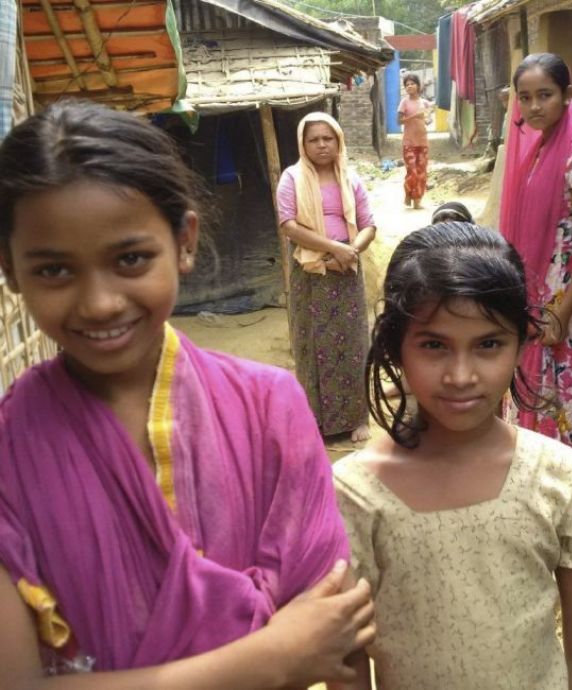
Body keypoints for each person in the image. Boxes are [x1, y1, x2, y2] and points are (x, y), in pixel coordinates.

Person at [0, 100, 375, 688]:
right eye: (54, 270)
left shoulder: (268, 407)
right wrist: (268, 659)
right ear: (10, 268)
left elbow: (338, 631)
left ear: (185, 242)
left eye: (130, 258)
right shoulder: (9, 454)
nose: (99, 301)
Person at [333, 222, 572, 690]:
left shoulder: (561, 479)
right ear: (395, 348)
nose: (461, 375)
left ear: (521, 343)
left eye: (488, 344)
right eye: (434, 345)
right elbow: (348, 659)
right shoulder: (354, 495)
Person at [500, 53, 572, 468]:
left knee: (570, 395)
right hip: (532, 300)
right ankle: (533, 480)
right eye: (525, 97)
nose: (533, 107)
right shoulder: (533, 153)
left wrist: (562, 313)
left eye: (544, 95)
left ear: (566, 95)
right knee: (534, 390)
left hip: (568, 301)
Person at [277, 112, 376, 443]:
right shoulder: (292, 178)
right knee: (311, 342)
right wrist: (332, 249)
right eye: (314, 140)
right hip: (310, 268)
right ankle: (315, 420)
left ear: (338, 141)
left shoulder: (351, 179)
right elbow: (289, 225)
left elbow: (368, 225)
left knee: (352, 341)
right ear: (303, 145)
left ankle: (356, 418)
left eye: (327, 139)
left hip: (347, 267)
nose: (321, 145)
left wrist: (350, 252)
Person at [397, 74, 433, 210]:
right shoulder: (404, 102)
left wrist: (428, 118)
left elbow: (428, 120)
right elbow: (399, 121)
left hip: (422, 142)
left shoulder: (424, 103)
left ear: (418, 86)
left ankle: (417, 200)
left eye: (412, 83)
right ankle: (408, 193)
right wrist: (414, 116)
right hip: (409, 142)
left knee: (422, 172)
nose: (409, 86)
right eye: (407, 84)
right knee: (412, 172)